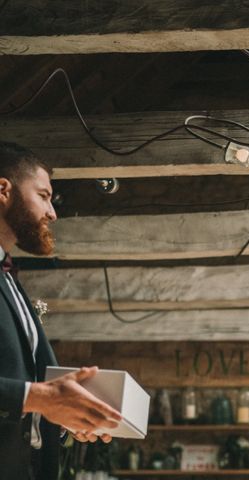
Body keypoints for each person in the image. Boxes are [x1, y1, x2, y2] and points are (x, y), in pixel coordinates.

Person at [0, 142, 122, 480]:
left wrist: (65, 414)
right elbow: (30, 394)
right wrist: (39, 397)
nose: (52, 213)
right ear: (3, 190)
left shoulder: (11, 283)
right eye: (43, 195)